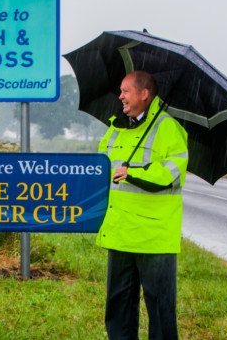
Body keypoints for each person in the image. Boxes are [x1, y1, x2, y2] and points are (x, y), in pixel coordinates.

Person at [96, 70, 188, 340]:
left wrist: (134, 173)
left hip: (153, 236)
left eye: (126, 91)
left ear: (144, 94)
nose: (120, 96)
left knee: (160, 310)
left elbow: (172, 173)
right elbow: (101, 165)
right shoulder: (116, 127)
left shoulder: (168, 127)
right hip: (120, 231)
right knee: (118, 307)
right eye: (121, 91)